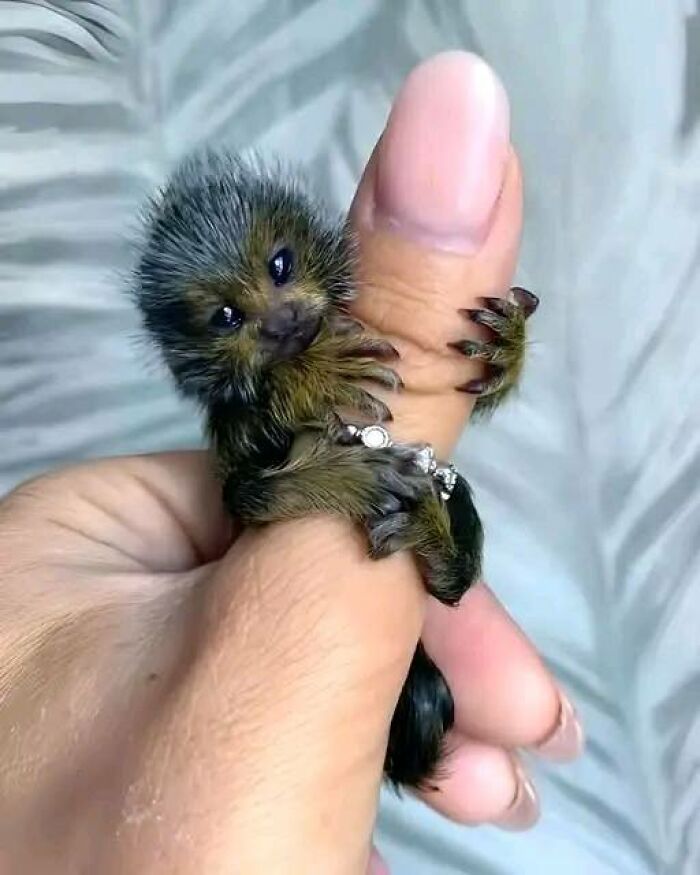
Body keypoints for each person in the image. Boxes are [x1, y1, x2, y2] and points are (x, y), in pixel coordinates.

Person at [0, 52, 583, 874]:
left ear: (307, 242)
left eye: (279, 271)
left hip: (416, 564)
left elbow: (461, 391)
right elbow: (256, 485)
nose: (276, 316)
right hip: (342, 639)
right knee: (421, 720)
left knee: (448, 570)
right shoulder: (248, 414)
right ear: (187, 353)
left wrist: (501, 347)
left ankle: (432, 543)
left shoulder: (348, 329)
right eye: (231, 316)